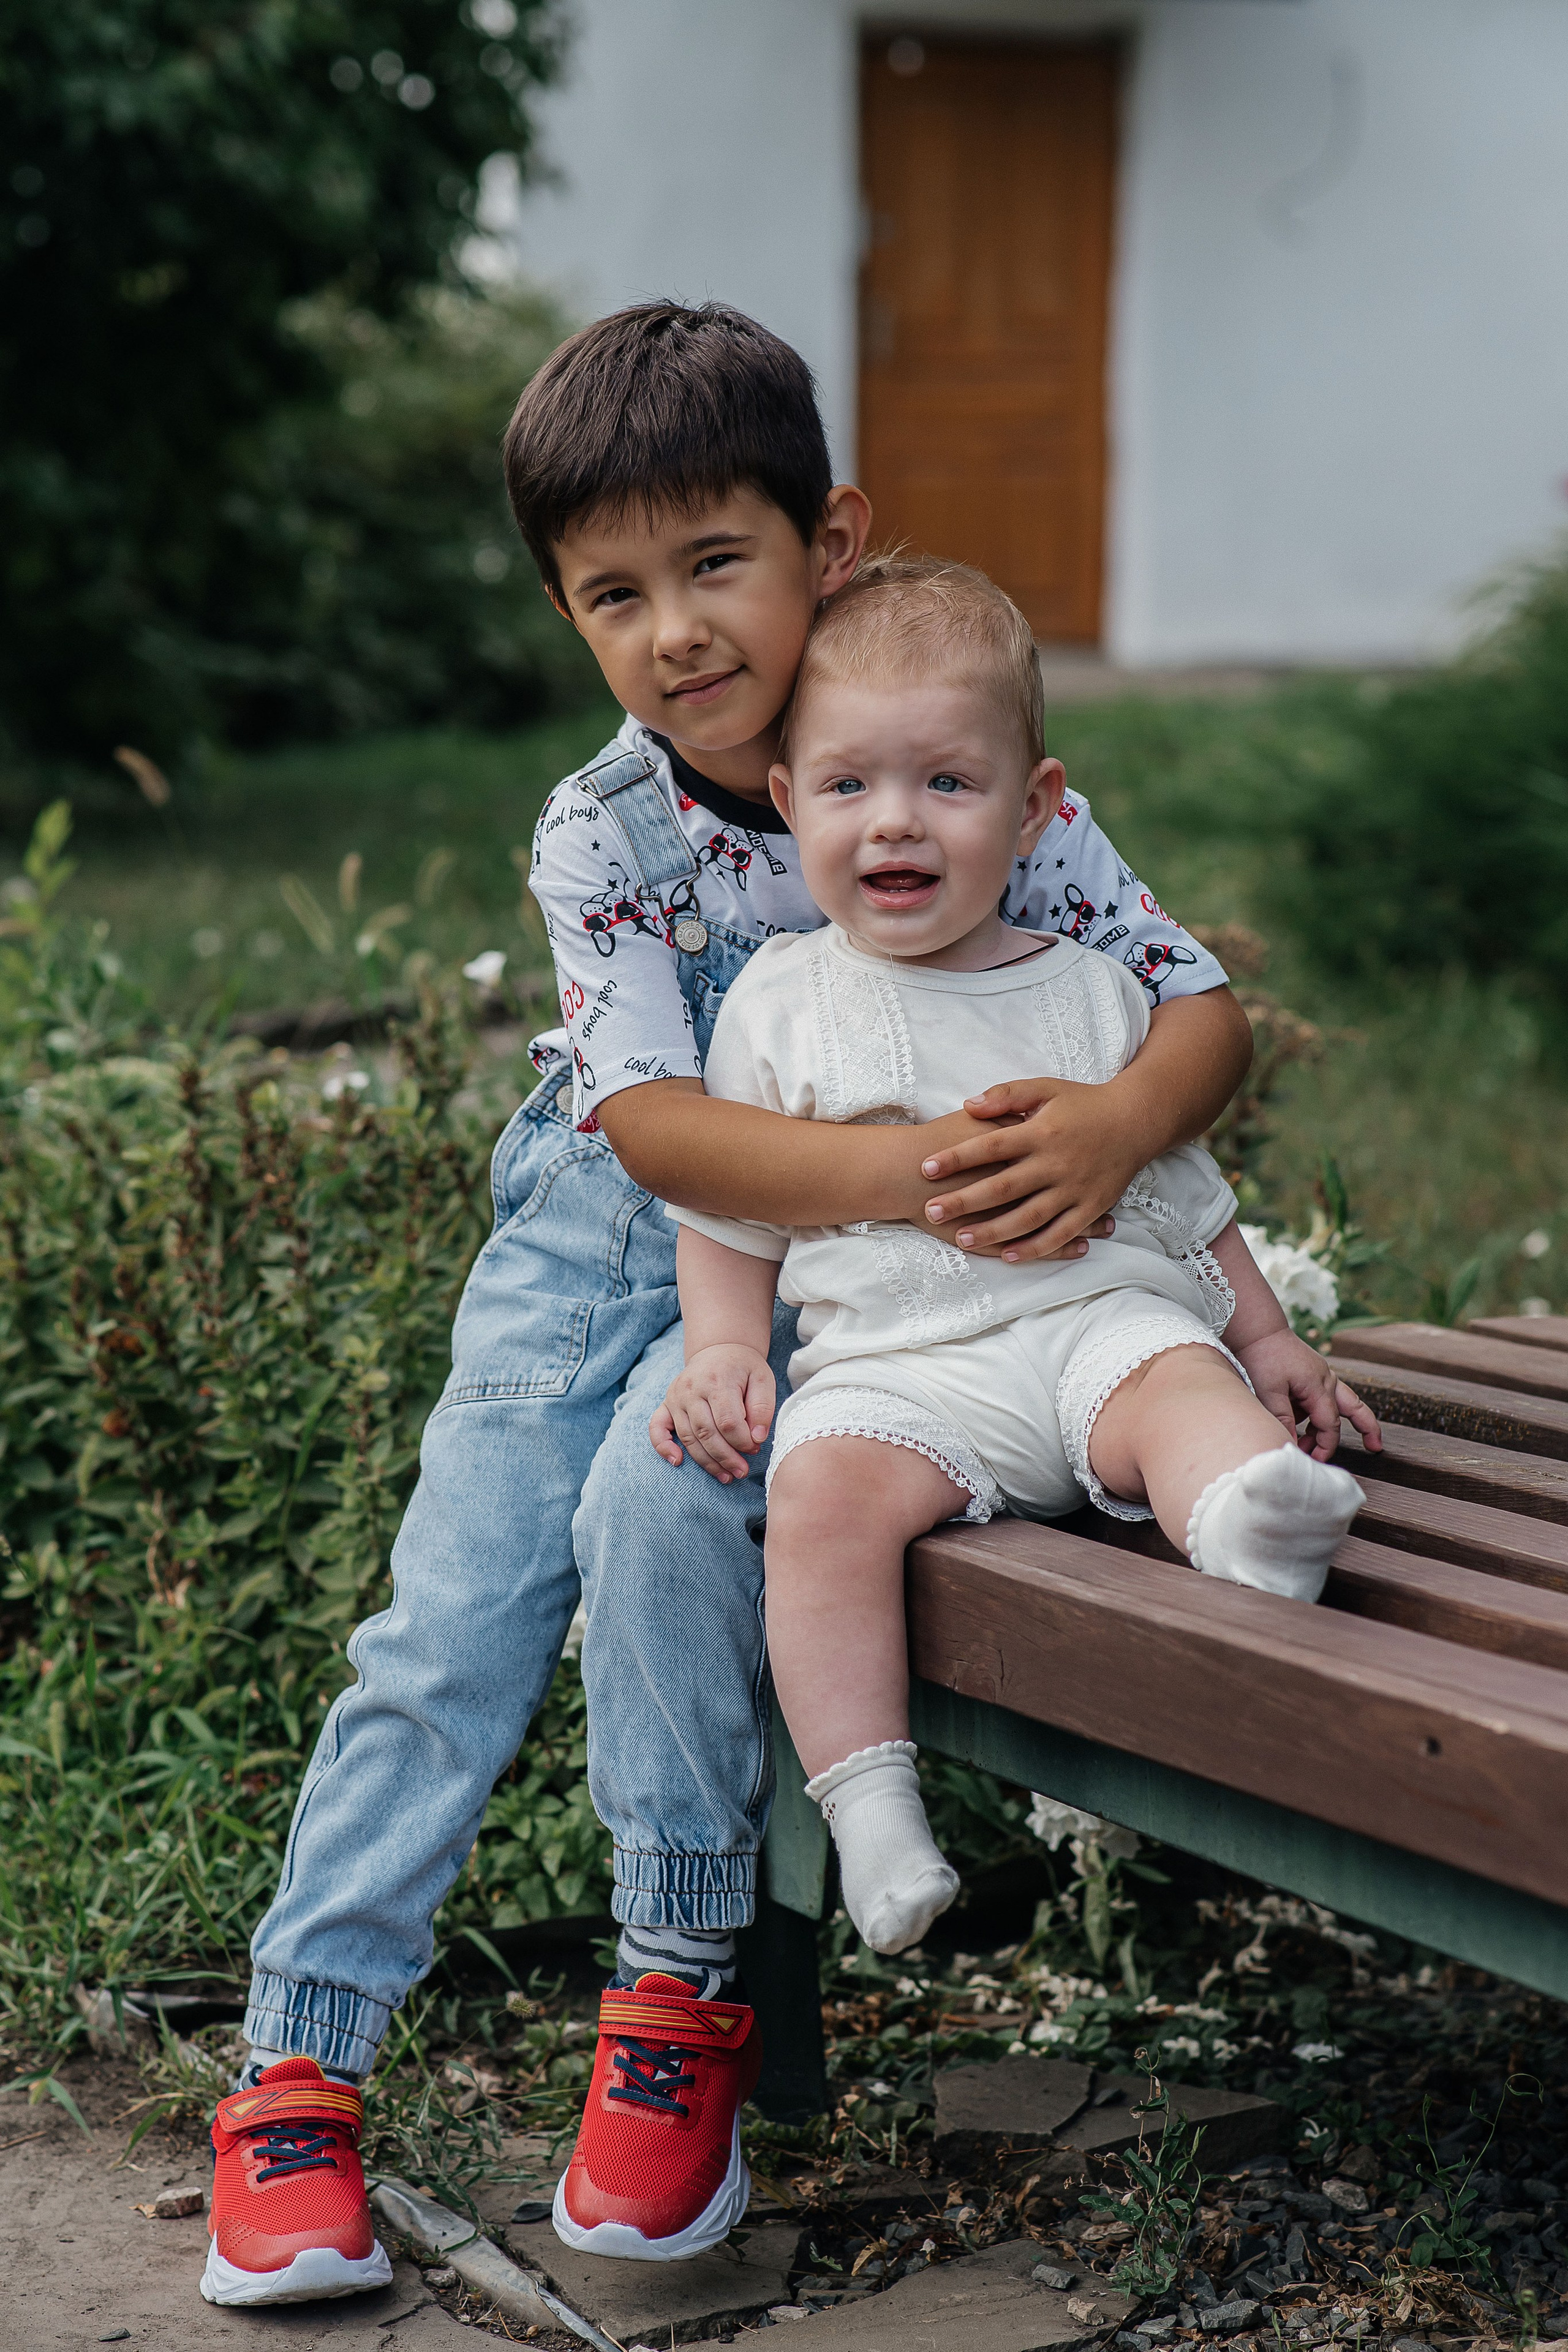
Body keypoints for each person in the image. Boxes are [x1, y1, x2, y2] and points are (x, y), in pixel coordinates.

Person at [205, 302, 1257, 2305]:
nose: (678, 631)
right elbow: (664, 1131)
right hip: (606, 1234)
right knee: (453, 1619)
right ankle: (296, 2076)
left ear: (827, 542)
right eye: (616, 594)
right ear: (566, 613)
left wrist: (1118, 1124)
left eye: (715, 563)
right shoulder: (602, 827)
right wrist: (936, 1165)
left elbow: (1192, 1007)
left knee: (665, 1511)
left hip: (831, 1295)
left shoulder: (940, 755)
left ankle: (675, 2010)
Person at [651, 556, 1381, 1958]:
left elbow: (1182, 1193)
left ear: (1035, 807)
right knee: (816, 1503)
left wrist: (1264, 1337)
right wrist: (726, 1349)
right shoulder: (778, 1006)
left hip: (1096, 1328)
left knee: (1183, 1387)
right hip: (901, 1375)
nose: (894, 822)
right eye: (848, 785)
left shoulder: (1090, 991)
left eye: (946, 782)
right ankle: (872, 1811)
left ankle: (1244, 1520)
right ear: (789, 802)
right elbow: (730, 1213)